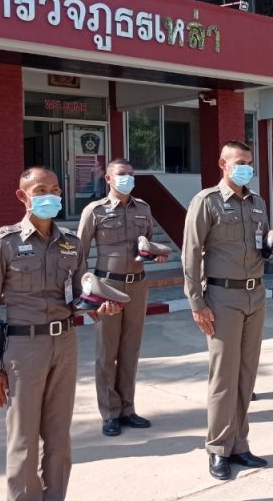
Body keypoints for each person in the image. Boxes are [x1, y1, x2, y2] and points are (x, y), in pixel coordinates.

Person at [0, 167, 119, 501]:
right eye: (40, 190)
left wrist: (99, 307)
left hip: (64, 345)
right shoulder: (4, 242)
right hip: (23, 348)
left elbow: (79, 297)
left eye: (54, 190)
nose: (49, 196)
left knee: (59, 437)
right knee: (23, 438)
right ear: (22, 196)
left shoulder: (71, 243)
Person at [182, 141, 273, 480]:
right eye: (239, 162)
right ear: (223, 164)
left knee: (246, 375)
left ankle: (239, 444)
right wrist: (197, 302)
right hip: (222, 297)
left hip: (255, 295)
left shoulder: (257, 203)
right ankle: (218, 448)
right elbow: (191, 254)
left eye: (249, 161)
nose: (246, 167)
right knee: (224, 377)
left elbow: (260, 248)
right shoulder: (206, 202)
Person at [78, 158, 165, 437]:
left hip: (137, 286)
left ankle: (128, 408)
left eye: (131, 173)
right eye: (121, 174)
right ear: (108, 179)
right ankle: (110, 413)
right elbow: (79, 254)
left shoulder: (144, 209)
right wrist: (85, 295)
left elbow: (147, 244)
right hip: (107, 287)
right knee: (107, 352)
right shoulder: (95, 211)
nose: (127, 178)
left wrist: (155, 254)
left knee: (130, 350)